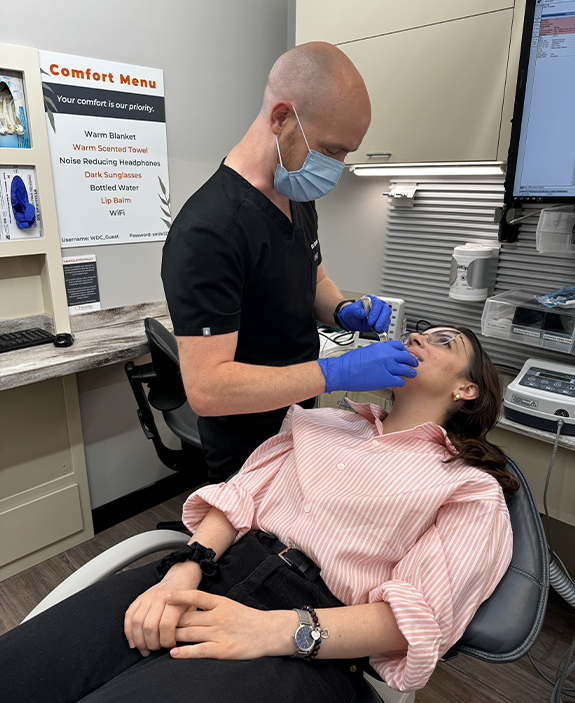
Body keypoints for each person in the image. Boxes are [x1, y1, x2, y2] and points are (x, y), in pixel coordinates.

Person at [0, 326, 520, 701]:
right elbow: (239, 497)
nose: (418, 340)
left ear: (466, 389)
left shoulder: (468, 488)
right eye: (417, 333)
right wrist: (183, 569)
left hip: (310, 630)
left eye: (443, 341)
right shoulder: (321, 424)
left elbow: (417, 619)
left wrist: (271, 631)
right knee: (20, 668)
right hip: (213, 570)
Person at [161, 41, 418, 482]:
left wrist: (341, 309)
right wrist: (335, 371)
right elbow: (208, 389)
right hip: (247, 449)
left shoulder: (296, 192)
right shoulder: (210, 232)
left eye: (346, 154)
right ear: (281, 118)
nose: (337, 167)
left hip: (297, 421)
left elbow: (313, 279)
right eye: (332, 150)